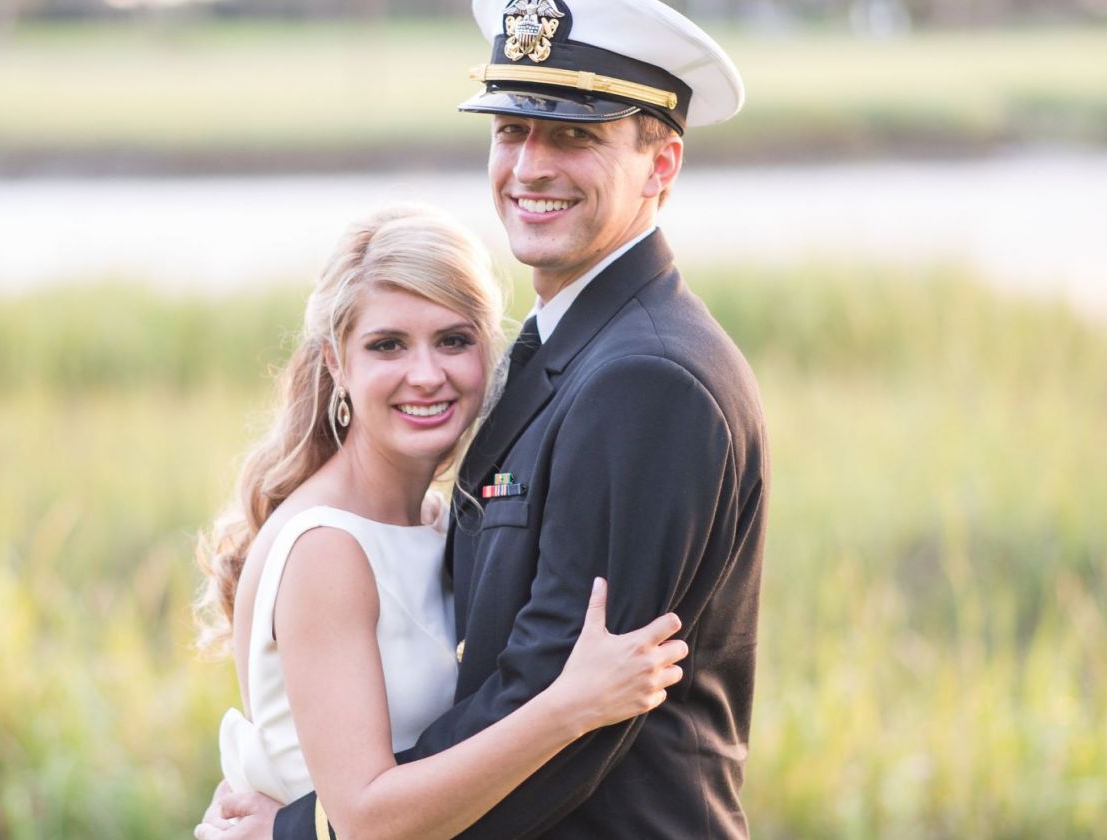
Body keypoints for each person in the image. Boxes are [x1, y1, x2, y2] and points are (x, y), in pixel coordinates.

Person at [204, 0, 769, 833]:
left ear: (662, 165)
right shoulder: (564, 349)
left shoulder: (644, 378)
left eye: (576, 135)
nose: (530, 165)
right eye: (511, 130)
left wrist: (304, 829)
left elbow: (562, 708)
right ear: (337, 360)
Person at [193, 203, 692, 840]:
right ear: (336, 364)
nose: (426, 376)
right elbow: (366, 817)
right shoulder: (328, 547)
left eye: (453, 340)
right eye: (387, 346)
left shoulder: (436, 517)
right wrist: (572, 706)